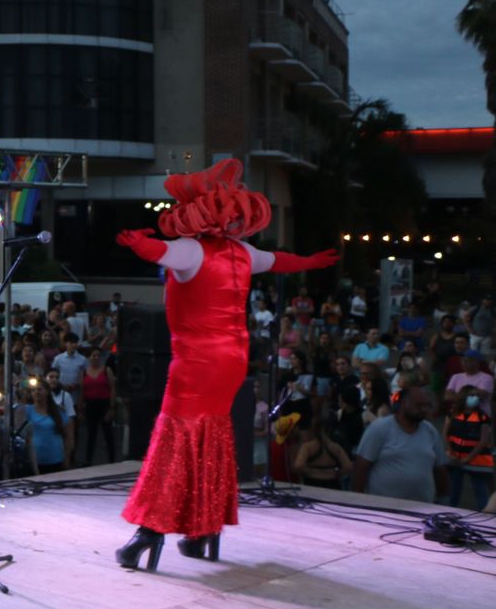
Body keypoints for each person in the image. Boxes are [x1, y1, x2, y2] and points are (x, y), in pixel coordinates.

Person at [113, 158, 338, 570]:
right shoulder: (243, 253)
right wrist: (312, 262)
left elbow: (156, 250)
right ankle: (203, 532)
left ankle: (149, 533)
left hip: (197, 361)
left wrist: (133, 241)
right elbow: (281, 260)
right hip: (233, 359)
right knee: (212, 436)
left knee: (176, 439)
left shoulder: (190, 251)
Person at [352, 386, 449, 504]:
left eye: (427, 405)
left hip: (422, 508)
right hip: (384, 507)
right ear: (404, 403)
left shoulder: (430, 431)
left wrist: (443, 500)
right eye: (419, 405)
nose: (424, 409)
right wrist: (358, 500)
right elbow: (361, 466)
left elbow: (440, 469)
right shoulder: (379, 428)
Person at [441, 385, 492, 509]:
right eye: (471, 395)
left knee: (480, 490)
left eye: (476, 395)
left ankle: (485, 519)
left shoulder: (482, 417)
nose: (475, 398)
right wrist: (451, 453)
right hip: (455, 459)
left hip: (476, 460)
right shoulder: (453, 413)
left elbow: (483, 440)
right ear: (463, 397)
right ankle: (450, 513)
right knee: (454, 490)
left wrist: (468, 458)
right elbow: (445, 433)